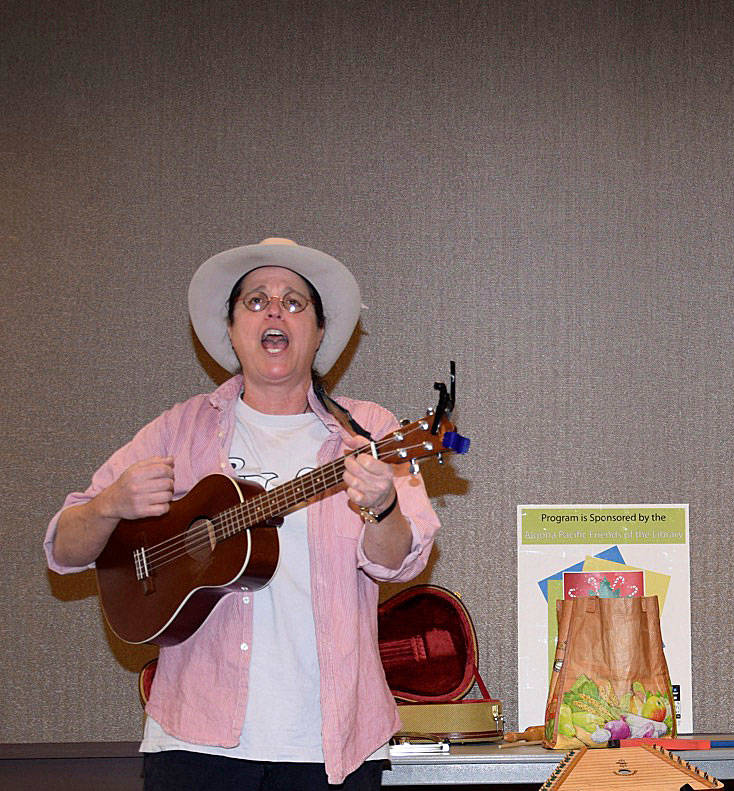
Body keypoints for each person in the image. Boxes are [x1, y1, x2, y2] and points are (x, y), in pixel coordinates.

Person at [45, 238, 442, 789]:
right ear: (231, 330)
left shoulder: (370, 432)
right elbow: (64, 548)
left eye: (294, 302)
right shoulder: (178, 431)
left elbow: (399, 563)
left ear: (320, 332)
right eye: (255, 301)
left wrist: (383, 507)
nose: (275, 311)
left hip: (333, 744)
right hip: (193, 738)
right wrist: (112, 504)